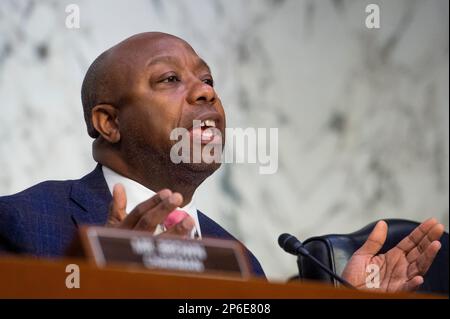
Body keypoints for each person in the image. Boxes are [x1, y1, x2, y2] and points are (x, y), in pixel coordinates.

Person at [0, 32, 444, 290]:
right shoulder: (24, 223)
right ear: (108, 122)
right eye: (170, 79)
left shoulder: (240, 260)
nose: (206, 91)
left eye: (208, 79)